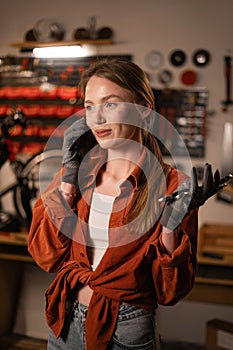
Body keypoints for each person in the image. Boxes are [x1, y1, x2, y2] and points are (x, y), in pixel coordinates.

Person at [28, 58, 221, 350]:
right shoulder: (77, 173)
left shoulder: (173, 186)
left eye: (110, 104)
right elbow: (46, 256)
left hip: (126, 332)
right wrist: (67, 182)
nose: (97, 119)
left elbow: (170, 293)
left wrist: (169, 229)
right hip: (65, 323)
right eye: (89, 106)